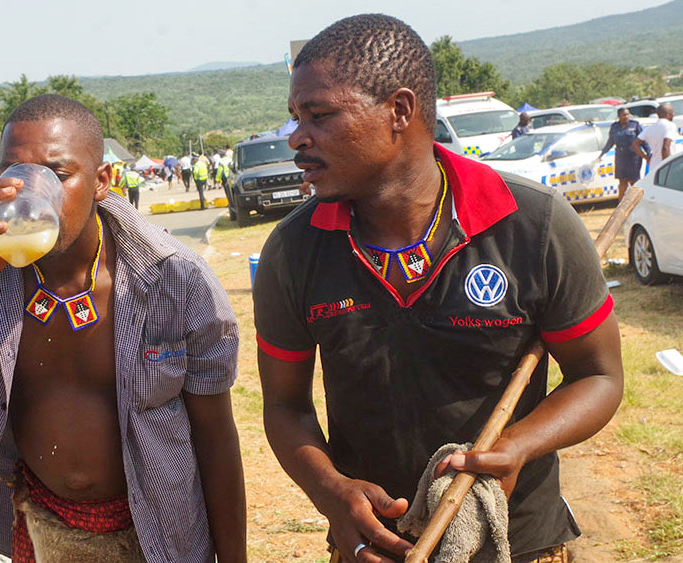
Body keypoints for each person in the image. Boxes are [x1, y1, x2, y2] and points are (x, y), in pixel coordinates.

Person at [254, 15, 622, 563]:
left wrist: (516, 446)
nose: (297, 137)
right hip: (375, 548)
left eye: (320, 115)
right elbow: (285, 407)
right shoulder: (294, 249)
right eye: (295, 117)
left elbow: (598, 376)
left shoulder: (532, 224)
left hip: (518, 544)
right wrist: (332, 496)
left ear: (400, 111)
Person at [0, 94, 246, 563]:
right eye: (14, 174)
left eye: (58, 174)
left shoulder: (172, 278)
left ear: (102, 183)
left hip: (163, 536)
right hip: (39, 534)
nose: (31, 195)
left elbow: (216, 437)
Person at [598, 107, 644, 201]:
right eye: (624, 115)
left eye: (627, 114)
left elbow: (642, 140)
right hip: (621, 157)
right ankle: (621, 204)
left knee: (633, 182)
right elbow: (610, 142)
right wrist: (602, 153)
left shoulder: (635, 125)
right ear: (619, 116)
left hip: (633, 157)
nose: (626, 117)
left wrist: (648, 153)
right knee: (622, 181)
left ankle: (637, 203)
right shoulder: (615, 127)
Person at [633, 103, 678, 176]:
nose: (673, 115)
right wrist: (666, 165)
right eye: (672, 113)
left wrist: (647, 158)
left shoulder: (650, 128)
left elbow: (635, 144)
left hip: (654, 166)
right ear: (668, 114)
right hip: (667, 167)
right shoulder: (670, 125)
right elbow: (665, 146)